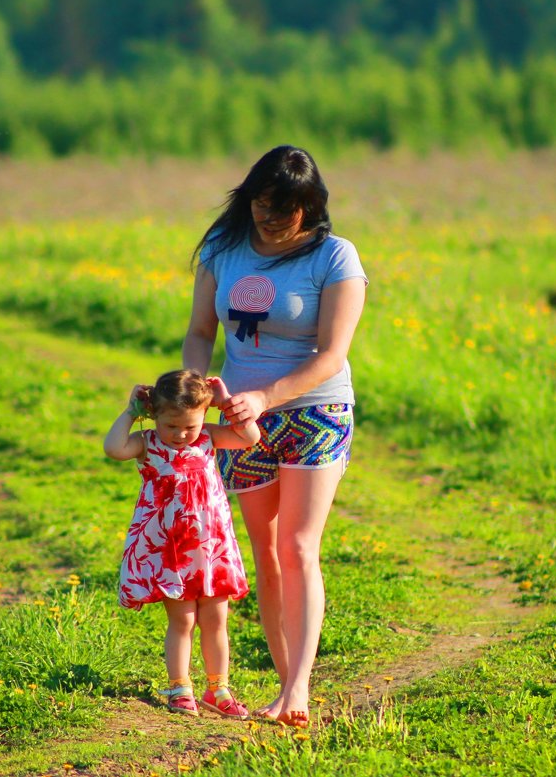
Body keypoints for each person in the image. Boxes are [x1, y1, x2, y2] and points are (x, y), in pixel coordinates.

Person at [182, 145, 367, 728]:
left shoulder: (335, 258)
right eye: (260, 203)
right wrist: (197, 390)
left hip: (316, 411)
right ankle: (285, 684)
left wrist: (266, 396)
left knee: (297, 546)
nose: (267, 216)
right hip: (241, 423)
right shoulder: (222, 251)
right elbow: (198, 332)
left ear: (309, 206)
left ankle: (299, 689)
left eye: (282, 208)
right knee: (265, 552)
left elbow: (333, 354)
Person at [104, 369, 260, 719]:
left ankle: (218, 687)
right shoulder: (147, 442)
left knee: (217, 618)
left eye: (188, 425)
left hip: (210, 547)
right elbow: (113, 448)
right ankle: (180, 686)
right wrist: (131, 411)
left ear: (203, 415)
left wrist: (226, 403)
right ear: (154, 415)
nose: (180, 434)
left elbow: (250, 437)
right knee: (183, 620)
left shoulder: (208, 437)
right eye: (171, 426)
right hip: (171, 550)